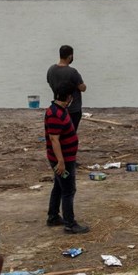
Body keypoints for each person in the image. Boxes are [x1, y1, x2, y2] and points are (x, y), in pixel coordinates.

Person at [46, 85, 89, 234]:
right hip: (63, 159)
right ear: (68, 97)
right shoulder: (55, 114)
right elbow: (54, 139)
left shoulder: (59, 110)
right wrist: (61, 161)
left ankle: (53, 216)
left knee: (59, 187)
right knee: (69, 190)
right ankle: (70, 224)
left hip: (64, 157)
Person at [46, 45, 87, 130]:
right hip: (73, 109)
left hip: (57, 107)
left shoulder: (51, 69)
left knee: (58, 132)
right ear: (70, 56)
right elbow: (83, 88)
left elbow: (50, 83)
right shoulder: (72, 72)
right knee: (70, 133)